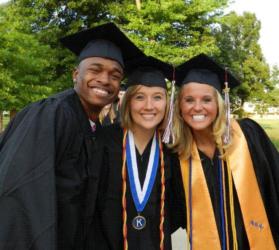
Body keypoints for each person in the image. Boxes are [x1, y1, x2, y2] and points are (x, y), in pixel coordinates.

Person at [0, 22, 144, 250]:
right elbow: (19, 193)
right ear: (76, 74)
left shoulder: (95, 127)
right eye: (95, 70)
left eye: (115, 75)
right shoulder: (51, 114)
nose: (105, 80)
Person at [171, 53, 279, 249]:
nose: (197, 107)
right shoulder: (176, 154)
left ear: (220, 104)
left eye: (206, 100)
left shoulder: (249, 136)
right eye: (189, 100)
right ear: (179, 106)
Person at [95, 56, 183, 250]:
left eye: (158, 97)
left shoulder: (172, 151)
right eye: (140, 97)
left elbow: (178, 211)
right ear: (128, 102)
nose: (149, 106)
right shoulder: (102, 143)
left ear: (167, 103)